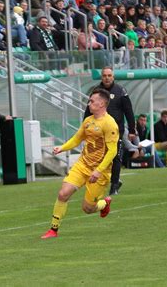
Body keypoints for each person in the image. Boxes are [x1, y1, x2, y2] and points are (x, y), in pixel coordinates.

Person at [41, 89, 117, 239]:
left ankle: (104, 204)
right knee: (63, 194)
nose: (89, 103)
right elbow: (77, 139)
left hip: (99, 172)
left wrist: (99, 170)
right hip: (82, 165)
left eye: (92, 101)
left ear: (102, 103)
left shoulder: (110, 124)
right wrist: (62, 148)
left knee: (88, 208)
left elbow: (112, 151)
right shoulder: (88, 121)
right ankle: (53, 230)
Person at [84, 67, 136, 195]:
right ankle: (106, 181)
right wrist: (85, 127)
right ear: (101, 77)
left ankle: (114, 186)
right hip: (98, 131)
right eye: (104, 75)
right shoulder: (96, 92)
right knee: (100, 158)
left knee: (116, 157)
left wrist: (132, 130)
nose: (107, 78)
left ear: (113, 77)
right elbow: (88, 110)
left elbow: (129, 111)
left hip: (116, 131)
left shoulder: (120, 91)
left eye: (109, 75)